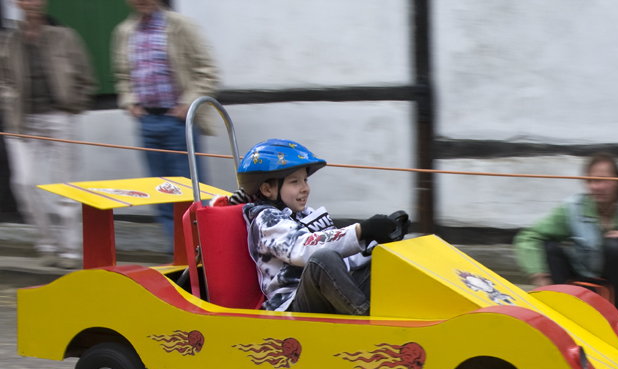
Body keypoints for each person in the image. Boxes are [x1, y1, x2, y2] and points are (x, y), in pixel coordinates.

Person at [237, 139, 407, 315]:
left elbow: (343, 257)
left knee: (380, 259)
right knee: (321, 260)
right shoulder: (266, 219)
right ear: (267, 190)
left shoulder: (305, 214)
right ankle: (367, 325)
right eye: (295, 182)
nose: (305, 188)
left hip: (327, 293)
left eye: (305, 180)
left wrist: (377, 241)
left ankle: (407, 313)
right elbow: (306, 249)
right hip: (292, 306)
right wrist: (361, 230)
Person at [0, 0, 97, 269]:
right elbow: (3, 79)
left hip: (59, 115)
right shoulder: (10, 41)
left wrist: (73, 104)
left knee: (66, 186)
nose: (31, 3)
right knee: (24, 183)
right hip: (22, 120)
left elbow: (86, 76)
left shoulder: (64, 36)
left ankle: (70, 250)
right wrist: (9, 99)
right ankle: (47, 243)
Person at [111, 0, 218, 242]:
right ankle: (178, 255)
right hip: (147, 122)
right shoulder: (125, 31)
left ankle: (205, 254)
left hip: (179, 122)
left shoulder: (181, 25)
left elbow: (207, 70)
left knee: (194, 195)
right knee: (161, 195)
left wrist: (187, 104)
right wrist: (130, 102)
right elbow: (122, 75)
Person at [513, 153, 618, 312]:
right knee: (549, 247)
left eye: (602, 180)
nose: (595, 187)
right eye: (590, 181)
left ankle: (613, 315)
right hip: (584, 283)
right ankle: (563, 305)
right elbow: (528, 237)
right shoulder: (573, 208)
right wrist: (541, 277)